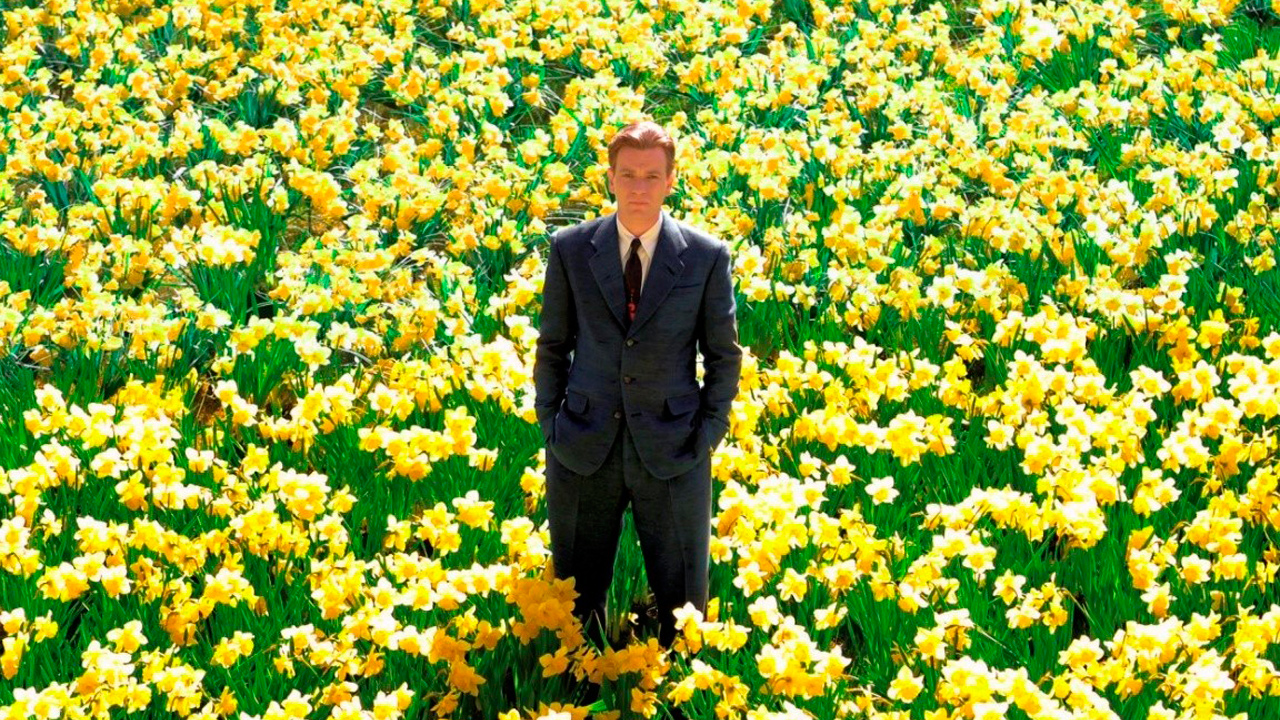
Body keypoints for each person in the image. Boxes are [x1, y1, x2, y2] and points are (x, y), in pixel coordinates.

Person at [533, 120, 742, 649]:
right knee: (575, 603)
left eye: (651, 176)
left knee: (683, 603)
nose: (638, 188)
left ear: (671, 181)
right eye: (627, 175)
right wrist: (551, 424)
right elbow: (552, 345)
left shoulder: (705, 255)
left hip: (675, 447)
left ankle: (680, 684)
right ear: (610, 178)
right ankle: (577, 683)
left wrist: (708, 434)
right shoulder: (571, 248)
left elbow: (724, 356)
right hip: (583, 444)